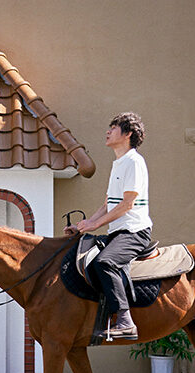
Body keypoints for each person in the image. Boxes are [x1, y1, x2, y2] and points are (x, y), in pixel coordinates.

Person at [64, 112, 152, 340]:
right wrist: (85, 225)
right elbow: (107, 204)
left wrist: (95, 225)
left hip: (135, 232)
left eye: (113, 127)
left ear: (128, 134)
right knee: (87, 258)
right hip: (118, 231)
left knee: (106, 261)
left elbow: (126, 205)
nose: (108, 131)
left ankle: (125, 321)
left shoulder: (134, 162)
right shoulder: (119, 163)